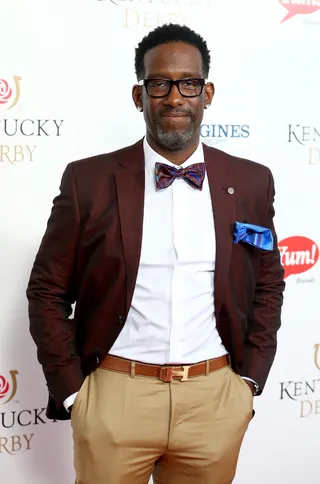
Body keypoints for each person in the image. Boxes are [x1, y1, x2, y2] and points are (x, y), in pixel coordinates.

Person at [27, 23, 285, 484]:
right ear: (138, 94)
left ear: (206, 93)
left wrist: (248, 383)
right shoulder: (88, 181)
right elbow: (46, 290)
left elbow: (267, 284)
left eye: (188, 83)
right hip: (115, 397)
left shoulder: (250, 182)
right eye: (159, 83)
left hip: (214, 400)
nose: (173, 97)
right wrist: (73, 393)